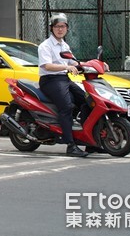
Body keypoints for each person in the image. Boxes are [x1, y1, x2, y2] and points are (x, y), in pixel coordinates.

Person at [38, 13, 89, 158]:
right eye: (57, 27)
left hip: (64, 79)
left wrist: (92, 64)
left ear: (67, 28)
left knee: (87, 101)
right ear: (51, 29)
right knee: (66, 107)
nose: (60, 29)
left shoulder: (64, 45)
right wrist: (66, 68)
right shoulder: (45, 46)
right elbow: (47, 66)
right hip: (50, 80)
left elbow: (73, 62)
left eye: (63, 26)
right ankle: (70, 145)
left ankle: (88, 140)